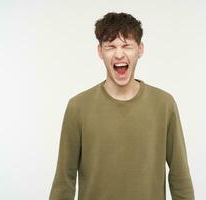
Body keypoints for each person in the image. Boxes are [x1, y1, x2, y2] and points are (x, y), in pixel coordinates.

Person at [49, 12, 195, 200]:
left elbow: (180, 175)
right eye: (110, 46)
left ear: (140, 49)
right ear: (100, 51)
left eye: (127, 45)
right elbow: (64, 181)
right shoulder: (78, 107)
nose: (119, 54)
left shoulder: (164, 104)